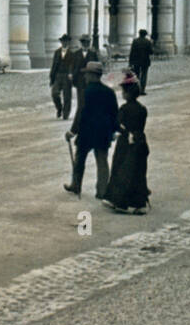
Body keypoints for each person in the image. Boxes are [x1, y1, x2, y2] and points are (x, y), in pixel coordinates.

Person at [64, 61, 118, 199]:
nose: (85, 76)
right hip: (103, 132)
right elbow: (114, 113)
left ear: (92, 75)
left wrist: (73, 131)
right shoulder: (109, 92)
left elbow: (80, 113)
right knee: (102, 162)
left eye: (87, 74)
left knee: (80, 159)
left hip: (87, 132)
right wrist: (113, 131)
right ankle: (102, 191)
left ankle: (76, 185)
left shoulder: (85, 92)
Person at [104, 73, 150, 214]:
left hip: (125, 143)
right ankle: (139, 202)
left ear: (127, 93)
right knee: (138, 172)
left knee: (121, 170)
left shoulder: (124, 109)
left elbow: (118, 125)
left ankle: (119, 200)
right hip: (140, 141)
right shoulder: (142, 109)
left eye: (123, 91)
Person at [49, 34, 74, 119]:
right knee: (54, 93)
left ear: (69, 42)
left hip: (67, 76)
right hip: (58, 76)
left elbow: (72, 65)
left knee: (67, 96)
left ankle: (66, 113)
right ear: (61, 42)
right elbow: (54, 65)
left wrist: (71, 74)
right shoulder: (57, 52)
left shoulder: (71, 53)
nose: (64, 43)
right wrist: (51, 78)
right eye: (63, 41)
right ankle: (59, 108)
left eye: (66, 41)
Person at [128, 28, 154, 95]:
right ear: (145, 35)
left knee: (136, 75)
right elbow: (151, 52)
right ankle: (142, 90)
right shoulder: (148, 42)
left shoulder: (135, 41)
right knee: (144, 76)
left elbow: (132, 52)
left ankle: (136, 89)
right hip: (145, 61)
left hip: (136, 61)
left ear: (139, 34)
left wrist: (130, 62)